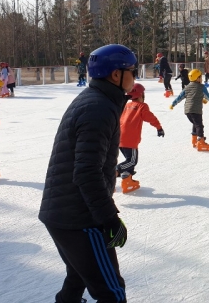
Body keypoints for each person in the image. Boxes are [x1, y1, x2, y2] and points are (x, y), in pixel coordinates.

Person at [39, 44, 136, 303]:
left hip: (63, 213)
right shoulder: (98, 108)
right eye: (131, 71)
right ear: (116, 75)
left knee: (78, 277)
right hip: (79, 219)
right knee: (111, 292)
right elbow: (86, 172)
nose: (134, 77)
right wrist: (109, 218)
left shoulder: (96, 100)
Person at [117, 83, 165, 193]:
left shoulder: (126, 105)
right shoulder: (142, 106)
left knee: (128, 162)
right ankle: (113, 171)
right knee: (132, 161)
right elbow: (150, 117)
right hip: (130, 140)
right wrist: (159, 127)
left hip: (119, 138)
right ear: (140, 95)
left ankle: (127, 180)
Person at [170, 69, 209, 152]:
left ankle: (194, 140)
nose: (202, 79)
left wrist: (173, 104)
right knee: (199, 126)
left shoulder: (187, 87)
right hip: (196, 110)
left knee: (195, 124)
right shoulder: (202, 87)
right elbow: (208, 96)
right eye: (200, 77)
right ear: (197, 78)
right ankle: (200, 141)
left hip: (187, 111)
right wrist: (205, 100)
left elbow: (180, 97)